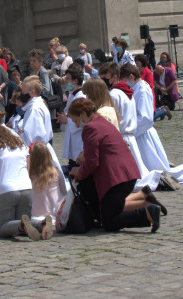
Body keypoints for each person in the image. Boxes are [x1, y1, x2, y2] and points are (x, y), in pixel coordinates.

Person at [68, 98, 161, 233]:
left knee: (110, 221)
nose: (77, 125)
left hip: (117, 178)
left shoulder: (90, 127)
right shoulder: (101, 122)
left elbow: (93, 162)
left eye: (76, 120)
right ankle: (145, 204)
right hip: (125, 174)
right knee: (109, 212)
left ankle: (147, 213)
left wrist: (79, 172)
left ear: (83, 114)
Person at [28, 142, 60, 240]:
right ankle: (46, 223)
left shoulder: (29, 176)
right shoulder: (56, 173)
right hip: (54, 212)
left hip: (35, 214)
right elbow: (63, 191)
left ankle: (42, 224)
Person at [58, 65, 86, 168]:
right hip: (72, 136)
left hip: (79, 138)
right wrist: (64, 117)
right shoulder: (71, 95)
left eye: (68, 79)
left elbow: (84, 120)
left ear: (75, 81)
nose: (66, 81)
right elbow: (68, 113)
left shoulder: (81, 97)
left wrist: (67, 120)